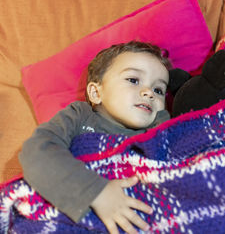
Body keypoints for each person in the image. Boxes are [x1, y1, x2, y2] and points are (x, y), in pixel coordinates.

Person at [19, 40, 172, 234]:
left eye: (159, 90)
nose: (149, 93)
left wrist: (163, 119)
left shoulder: (156, 135)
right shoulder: (80, 115)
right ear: (96, 92)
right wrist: (96, 192)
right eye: (133, 80)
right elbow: (37, 152)